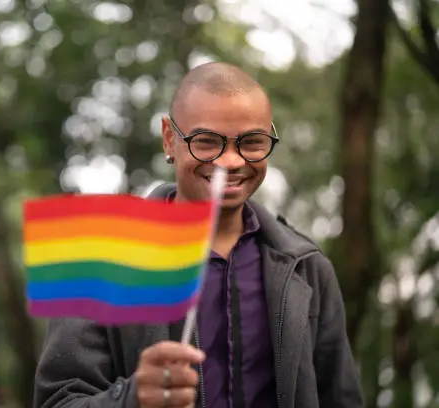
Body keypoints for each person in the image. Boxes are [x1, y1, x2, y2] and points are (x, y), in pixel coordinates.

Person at [33, 61, 364, 408]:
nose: (231, 161)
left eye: (252, 142)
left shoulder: (306, 268)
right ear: (169, 138)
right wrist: (131, 399)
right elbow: (57, 401)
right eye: (206, 142)